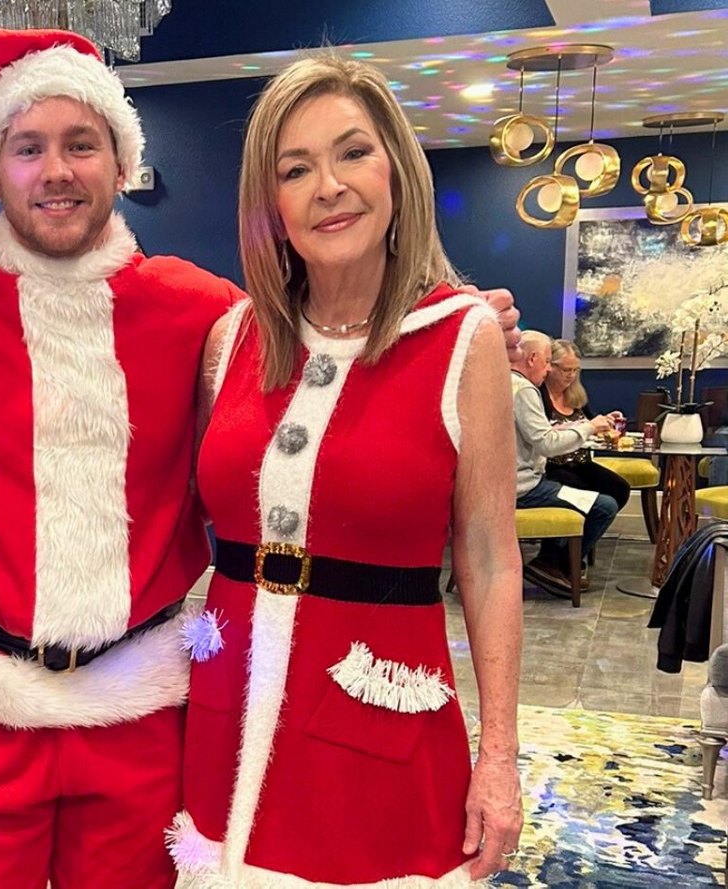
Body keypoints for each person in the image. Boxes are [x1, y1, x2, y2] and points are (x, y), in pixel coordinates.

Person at [0, 29, 522, 888]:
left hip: (148, 709)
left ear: (121, 163)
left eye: (82, 144)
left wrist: (469, 321)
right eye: (28, 148)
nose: (56, 172)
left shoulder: (204, 313)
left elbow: (472, 525)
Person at [165, 54, 525, 885]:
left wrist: (499, 753)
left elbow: (490, 554)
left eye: (353, 153)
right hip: (227, 712)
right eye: (296, 169)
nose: (329, 186)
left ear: (397, 169)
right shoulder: (233, 339)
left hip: (376, 720)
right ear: (272, 203)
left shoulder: (463, 338)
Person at [512, 331, 619, 596]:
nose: (548, 369)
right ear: (533, 358)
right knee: (604, 506)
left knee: (606, 487)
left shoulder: (502, 382)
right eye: (548, 362)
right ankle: (552, 563)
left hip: (504, 483)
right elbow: (546, 444)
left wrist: (583, 425)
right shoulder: (525, 389)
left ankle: (554, 563)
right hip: (525, 488)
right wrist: (589, 428)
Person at [541, 338, 630, 511]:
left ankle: (583, 535)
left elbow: (589, 423)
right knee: (587, 494)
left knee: (619, 489)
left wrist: (605, 421)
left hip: (580, 462)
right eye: (566, 369)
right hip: (551, 467)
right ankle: (565, 536)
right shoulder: (538, 396)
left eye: (575, 370)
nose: (571, 375)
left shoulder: (575, 396)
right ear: (550, 366)